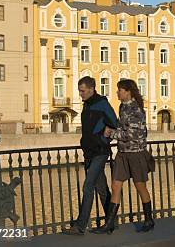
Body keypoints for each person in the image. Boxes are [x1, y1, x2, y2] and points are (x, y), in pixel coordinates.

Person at [93, 79, 155, 234]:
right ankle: (109, 223)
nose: (117, 92)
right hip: (122, 153)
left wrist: (110, 133)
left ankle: (149, 219)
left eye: (119, 90)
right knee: (115, 186)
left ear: (128, 91)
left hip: (136, 153)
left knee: (140, 186)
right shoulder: (122, 107)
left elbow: (130, 134)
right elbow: (122, 129)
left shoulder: (136, 110)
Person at [63, 76, 117, 235]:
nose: (80, 94)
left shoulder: (102, 104)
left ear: (91, 89)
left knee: (88, 186)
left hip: (100, 151)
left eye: (82, 91)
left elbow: (115, 124)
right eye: (79, 90)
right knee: (101, 188)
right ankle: (111, 222)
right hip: (89, 152)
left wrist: (104, 135)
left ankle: (80, 226)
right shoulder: (87, 105)